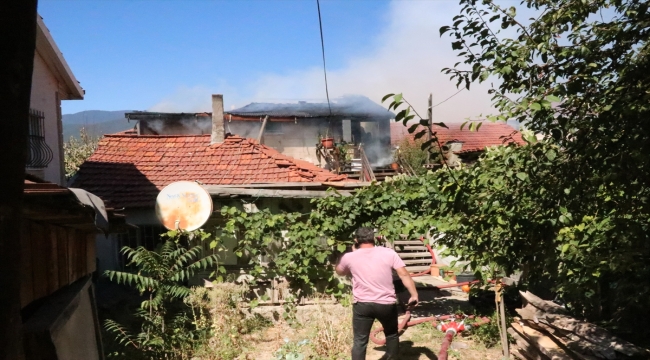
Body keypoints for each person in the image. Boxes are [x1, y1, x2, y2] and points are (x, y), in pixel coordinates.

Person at [336, 227, 419, 360]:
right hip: (386, 304)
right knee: (391, 335)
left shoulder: (349, 257)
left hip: (362, 305)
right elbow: (403, 274)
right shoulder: (389, 253)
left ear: (356, 240)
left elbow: (340, 271)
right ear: (373, 238)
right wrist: (414, 295)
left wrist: (352, 254)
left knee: (359, 341)